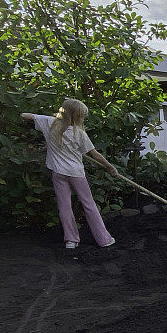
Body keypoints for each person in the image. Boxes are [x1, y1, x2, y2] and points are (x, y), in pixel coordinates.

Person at [21, 97, 118, 249]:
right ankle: (104, 239)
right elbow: (95, 155)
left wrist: (48, 118)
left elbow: (24, 115)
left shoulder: (49, 123)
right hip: (76, 173)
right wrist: (110, 167)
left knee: (64, 206)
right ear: (77, 116)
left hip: (58, 172)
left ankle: (71, 241)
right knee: (89, 205)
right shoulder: (79, 133)